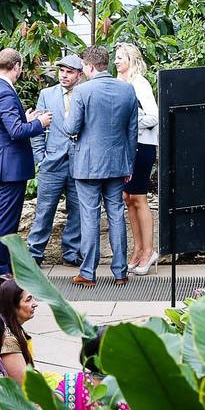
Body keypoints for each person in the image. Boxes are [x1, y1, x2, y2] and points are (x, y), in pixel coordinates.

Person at [67, 46, 138, 287]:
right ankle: (120, 271)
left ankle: (88, 272)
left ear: (89, 66)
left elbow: (71, 128)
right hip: (118, 163)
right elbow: (132, 131)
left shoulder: (82, 91)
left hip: (87, 164)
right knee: (117, 214)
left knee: (89, 216)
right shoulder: (127, 90)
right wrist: (128, 164)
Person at [0, 48, 52, 283]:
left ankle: (4, 264)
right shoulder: (4, 93)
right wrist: (39, 123)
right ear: (17, 66)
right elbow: (15, 132)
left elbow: (9, 125)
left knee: (8, 216)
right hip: (11, 163)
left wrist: (27, 119)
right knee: (7, 218)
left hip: (8, 162)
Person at [27, 55, 84, 267]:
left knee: (77, 211)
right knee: (44, 210)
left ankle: (72, 253)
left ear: (79, 74)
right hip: (52, 163)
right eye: (62, 71)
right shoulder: (46, 94)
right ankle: (35, 253)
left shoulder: (85, 94)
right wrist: (40, 157)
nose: (64, 75)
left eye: (69, 72)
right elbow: (37, 129)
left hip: (79, 162)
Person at [114, 43, 159, 275]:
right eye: (115, 57)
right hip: (125, 149)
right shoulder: (119, 84)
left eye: (120, 57)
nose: (116, 61)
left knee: (139, 198)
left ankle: (149, 251)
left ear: (131, 60)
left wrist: (130, 125)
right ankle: (138, 249)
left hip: (142, 147)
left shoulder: (140, 84)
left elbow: (152, 116)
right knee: (127, 197)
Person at [0, 279, 39, 385]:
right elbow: (24, 383)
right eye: (28, 300)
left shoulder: (13, 328)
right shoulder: (7, 340)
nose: (35, 304)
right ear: (12, 306)